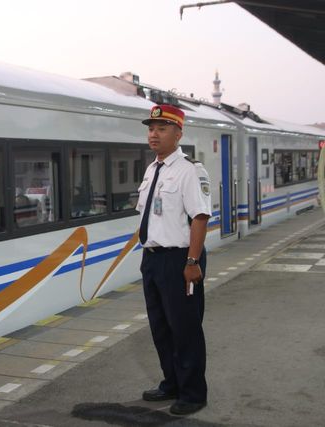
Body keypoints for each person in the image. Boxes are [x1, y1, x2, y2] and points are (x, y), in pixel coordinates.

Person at [136, 104, 212, 416]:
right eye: (151, 128)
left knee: (185, 328)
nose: (154, 133)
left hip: (180, 259)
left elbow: (200, 217)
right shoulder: (152, 169)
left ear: (178, 134)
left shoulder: (190, 170)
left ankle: (193, 393)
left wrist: (192, 262)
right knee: (161, 328)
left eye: (162, 128)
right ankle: (172, 383)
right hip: (153, 259)